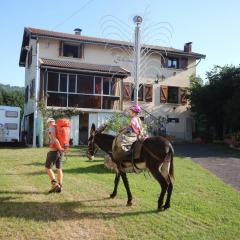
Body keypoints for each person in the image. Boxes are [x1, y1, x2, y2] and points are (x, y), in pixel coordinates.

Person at [45, 118, 64, 193]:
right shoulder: (59, 127)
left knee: (47, 167)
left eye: (47, 124)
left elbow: (55, 139)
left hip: (54, 151)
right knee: (59, 168)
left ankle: (55, 184)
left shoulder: (52, 127)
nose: (48, 125)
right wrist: (61, 149)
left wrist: (59, 147)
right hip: (60, 151)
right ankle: (60, 185)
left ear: (49, 122)